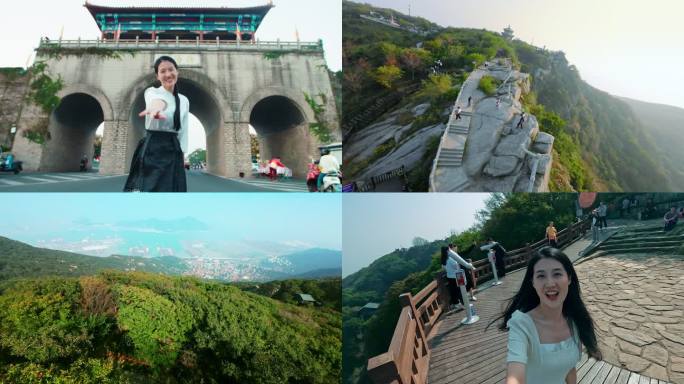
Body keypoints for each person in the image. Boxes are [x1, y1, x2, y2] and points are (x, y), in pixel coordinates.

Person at [493, 247, 602, 384]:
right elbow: (515, 375)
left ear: (569, 278)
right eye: (541, 276)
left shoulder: (575, 319)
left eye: (557, 274)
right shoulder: (521, 324)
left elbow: (569, 368)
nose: (550, 283)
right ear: (532, 282)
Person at [124, 56, 189, 192]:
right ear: (157, 76)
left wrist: (181, 156)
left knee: (173, 189)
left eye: (171, 70)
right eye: (162, 71)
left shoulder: (184, 100)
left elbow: (183, 130)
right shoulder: (152, 92)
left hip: (174, 147)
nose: (167, 74)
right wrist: (156, 108)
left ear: (177, 72)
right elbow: (158, 101)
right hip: (153, 147)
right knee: (150, 187)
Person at [441, 246, 464, 310]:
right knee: (459, 290)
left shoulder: (443, 259)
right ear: (448, 251)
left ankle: (456, 304)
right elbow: (456, 266)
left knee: (453, 291)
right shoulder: (450, 258)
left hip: (449, 277)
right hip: (455, 276)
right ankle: (463, 303)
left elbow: (443, 268)